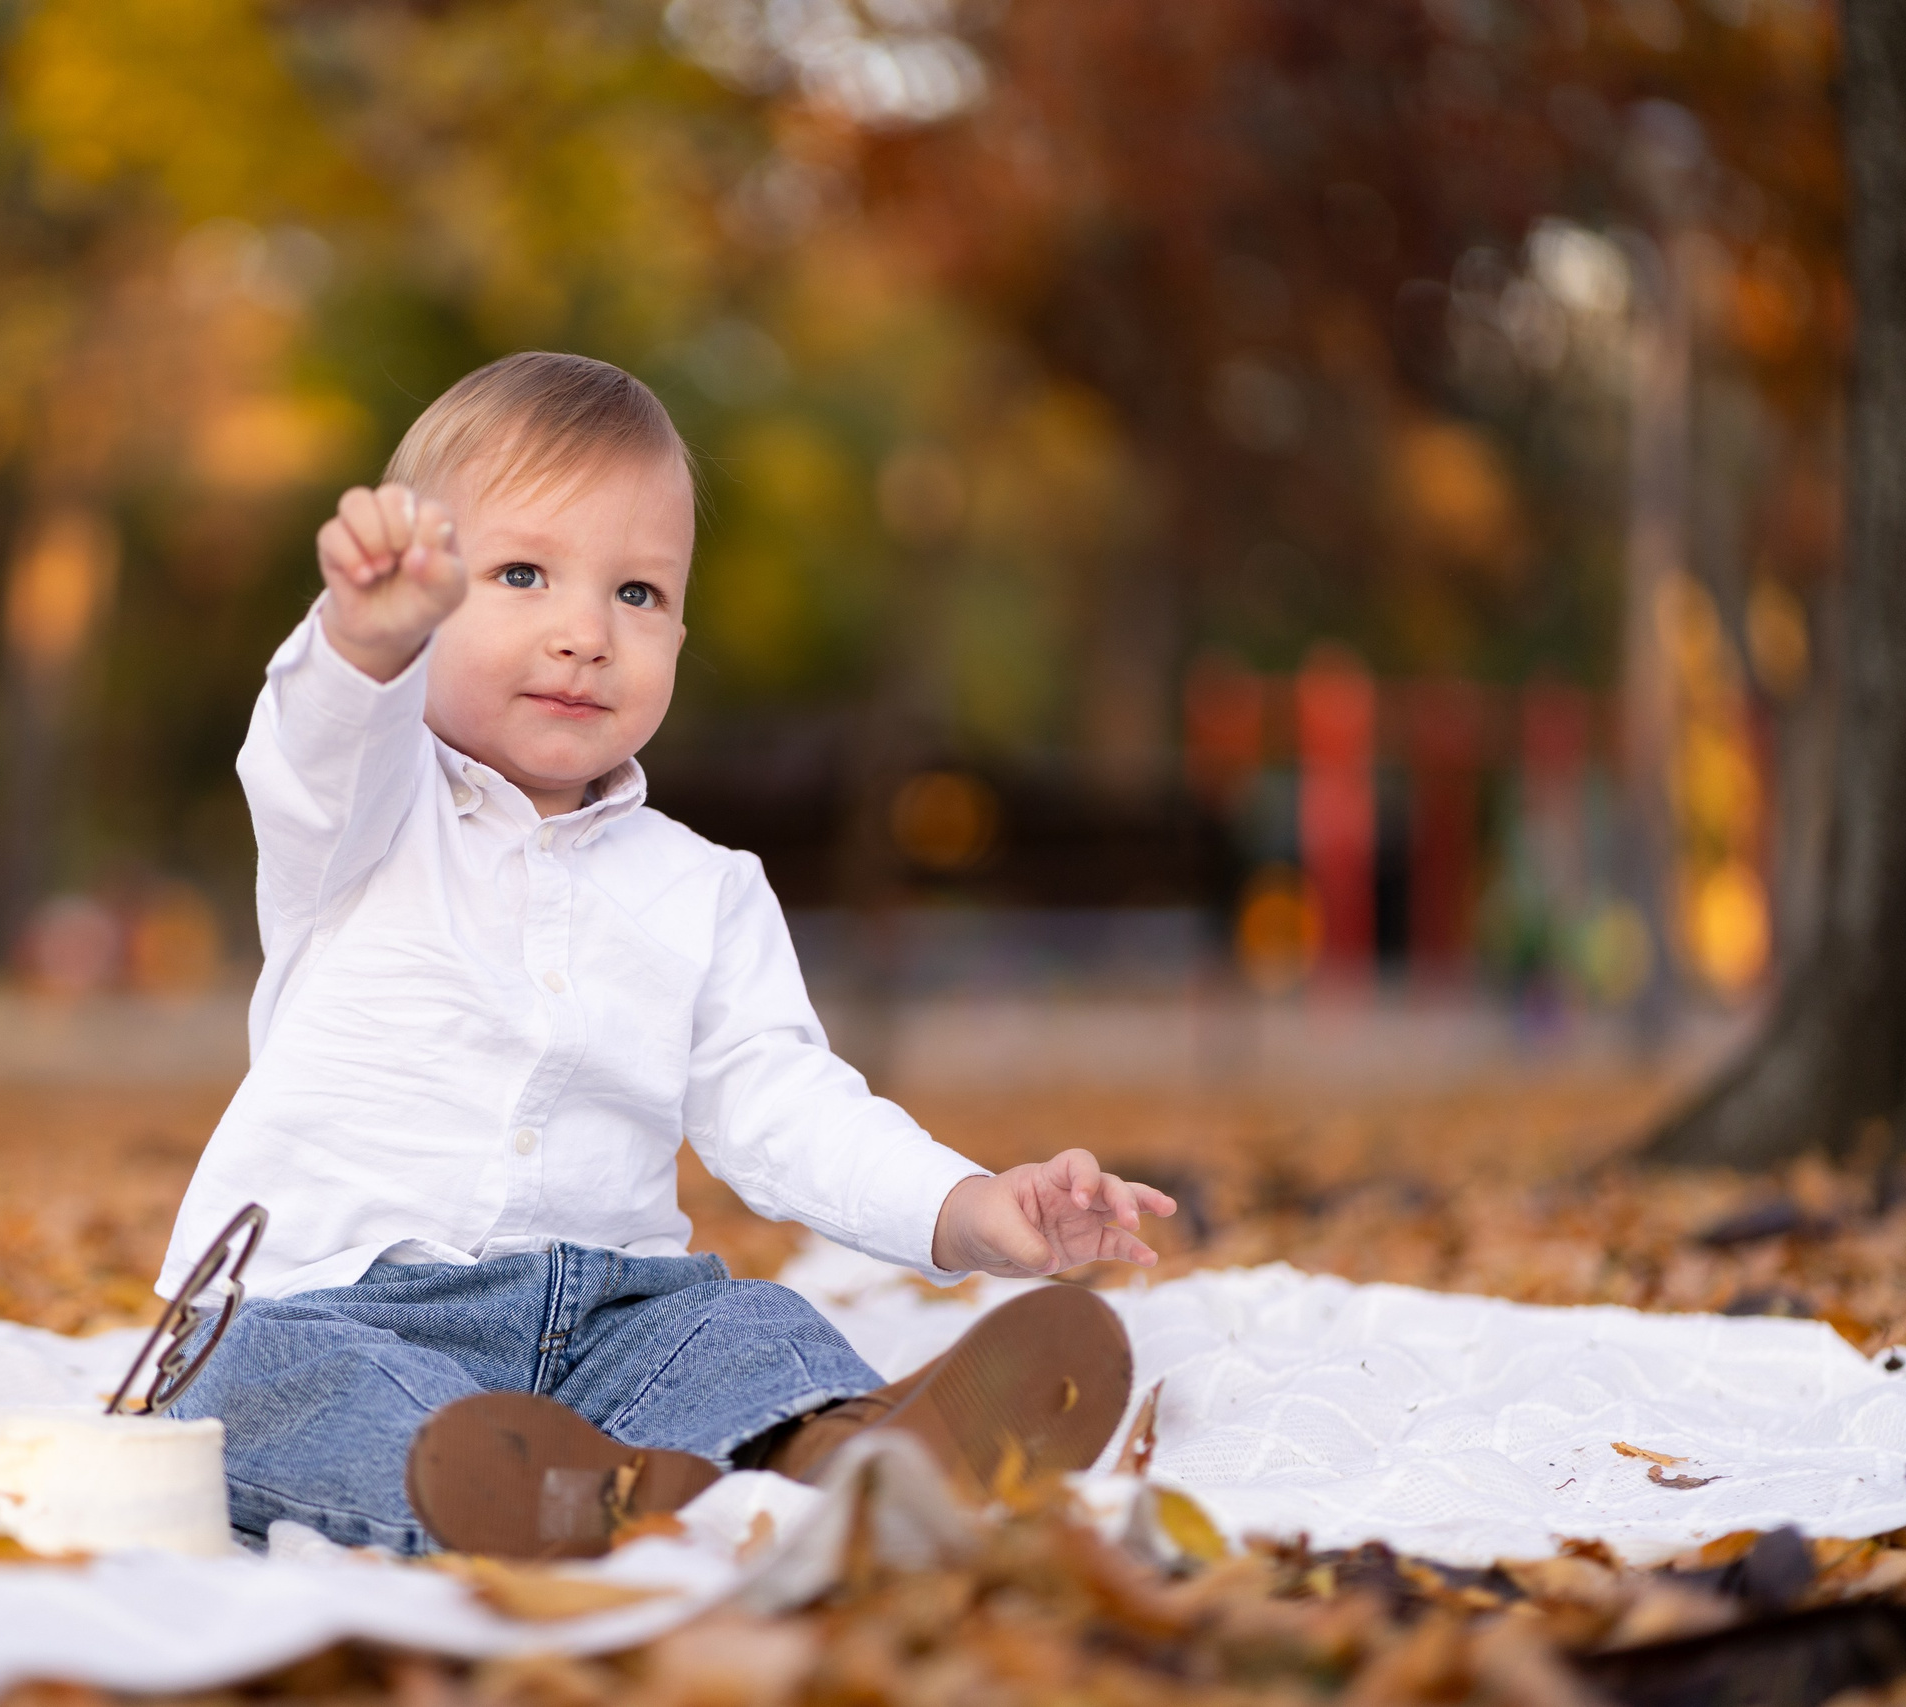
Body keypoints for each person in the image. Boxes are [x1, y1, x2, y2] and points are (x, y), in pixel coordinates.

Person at [161, 352, 1176, 1558]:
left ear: (680, 628)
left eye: (636, 594)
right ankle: (550, 1493)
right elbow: (313, 744)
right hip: (341, 1302)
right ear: (424, 601)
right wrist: (358, 645)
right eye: (522, 575)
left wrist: (962, 1208)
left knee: (751, 1332)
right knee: (255, 1376)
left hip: (609, 1322)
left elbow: (783, 1104)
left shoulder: (704, 890)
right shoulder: (365, 817)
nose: (585, 634)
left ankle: (840, 1454)